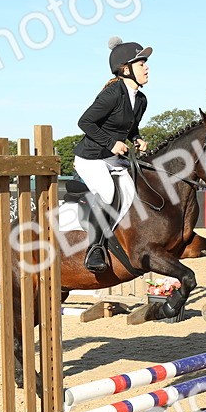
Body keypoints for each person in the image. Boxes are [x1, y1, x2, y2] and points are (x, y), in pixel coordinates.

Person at [74, 36, 151, 272]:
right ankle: (94, 249)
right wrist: (111, 143)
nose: (146, 68)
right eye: (141, 64)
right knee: (108, 193)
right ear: (125, 69)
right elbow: (85, 122)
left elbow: (130, 126)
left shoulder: (141, 100)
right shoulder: (113, 93)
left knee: (132, 191)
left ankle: (120, 238)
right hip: (90, 158)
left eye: (145, 64)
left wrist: (136, 138)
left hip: (111, 158)